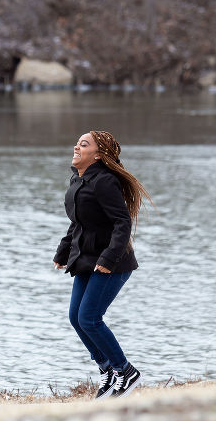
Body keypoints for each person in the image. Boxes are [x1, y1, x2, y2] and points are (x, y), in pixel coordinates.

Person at [53, 131, 152, 399]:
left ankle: (126, 371)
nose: (76, 146)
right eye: (77, 142)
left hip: (113, 262)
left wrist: (109, 259)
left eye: (83, 144)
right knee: (76, 318)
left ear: (97, 155)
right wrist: (63, 252)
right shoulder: (78, 179)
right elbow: (78, 222)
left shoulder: (104, 182)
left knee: (90, 318)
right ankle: (107, 369)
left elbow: (122, 222)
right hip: (86, 259)